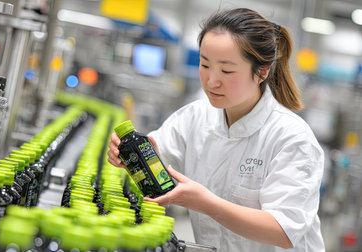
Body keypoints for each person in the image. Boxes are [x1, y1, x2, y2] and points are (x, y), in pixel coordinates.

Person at [107, 8, 325, 252]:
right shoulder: (194, 117)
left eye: (227, 70)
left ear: (262, 72)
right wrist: (127, 155)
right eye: (205, 64)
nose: (211, 81)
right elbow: (157, 154)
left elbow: (283, 231)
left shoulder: (290, 138)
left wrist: (205, 203)